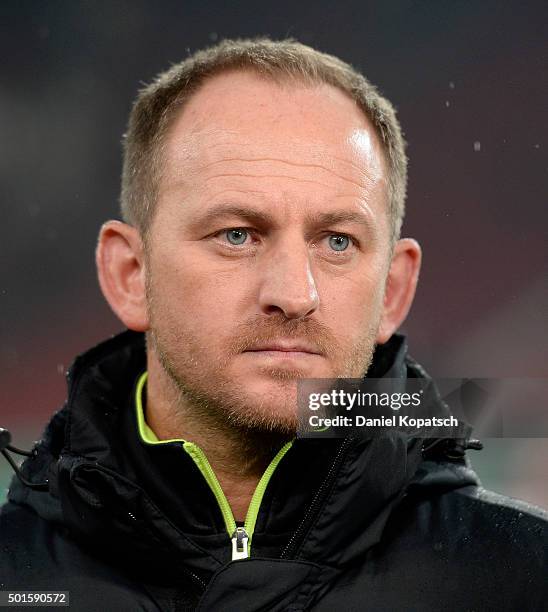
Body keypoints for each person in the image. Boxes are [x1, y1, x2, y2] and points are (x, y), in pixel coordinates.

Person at [0, 38, 545, 611]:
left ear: (393, 290)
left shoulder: (526, 581)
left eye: (338, 242)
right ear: (131, 274)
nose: (294, 294)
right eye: (237, 234)